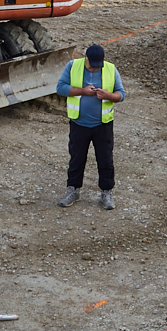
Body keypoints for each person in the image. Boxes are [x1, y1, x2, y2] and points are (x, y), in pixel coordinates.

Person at [55, 44, 125, 210]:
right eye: (91, 65)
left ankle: (106, 192)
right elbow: (60, 88)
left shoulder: (110, 69)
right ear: (85, 57)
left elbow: (121, 94)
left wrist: (109, 96)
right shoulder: (72, 66)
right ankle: (73, 190)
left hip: (103, 125)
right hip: (79, 124)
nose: (94, 69)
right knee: (76, 158)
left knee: (105, 159)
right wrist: (82, 91)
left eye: (97, 66)